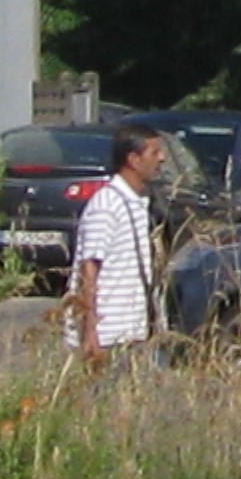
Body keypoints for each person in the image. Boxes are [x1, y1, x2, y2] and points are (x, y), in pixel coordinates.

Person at [65, 122, 168, 363]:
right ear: (133, 159)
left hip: (135, 332)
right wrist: (91, 332)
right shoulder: (107, 204)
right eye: (154, 153)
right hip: (109, 336)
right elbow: (88, 269)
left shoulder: (140, 201)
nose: (162, 159)